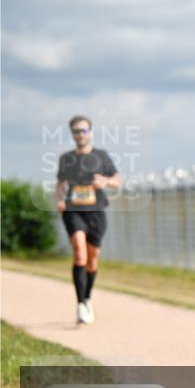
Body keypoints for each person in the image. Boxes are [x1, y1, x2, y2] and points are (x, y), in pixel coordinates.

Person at [55, 115, 121, 325]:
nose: (80, 134)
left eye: (83, 130)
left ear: (90, 132)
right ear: (72, 134)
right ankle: (81, 304)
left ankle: (88, 297)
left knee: (92, 260)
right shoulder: (66, 158)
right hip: (73, 211)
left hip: (96, 211)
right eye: (76, 131)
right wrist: (59, 201)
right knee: (80, 254)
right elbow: (60, 184)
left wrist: (106, 181)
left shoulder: (102, 156)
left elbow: (118, 180)